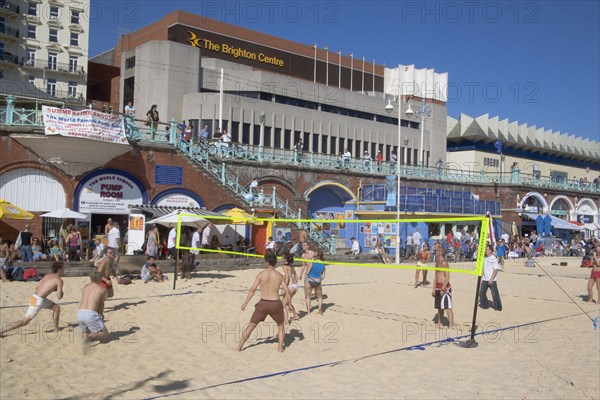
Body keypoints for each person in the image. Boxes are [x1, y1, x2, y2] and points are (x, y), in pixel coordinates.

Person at [238, 252, 291, 352]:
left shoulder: (261, 274)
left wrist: (245, 303)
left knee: (251, 326)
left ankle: (239, 347)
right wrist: (289, 304)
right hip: (275, 303)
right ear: (275, 263)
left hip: (264, 303)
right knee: (281, 327)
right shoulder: (279, 276)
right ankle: (280, 348)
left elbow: (252, 290)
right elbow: (287, 291)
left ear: (267, 262)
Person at [0, 262, 64, 336]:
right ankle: (2, 331)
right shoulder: (59, 280)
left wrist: (51, 289)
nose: (64, 270)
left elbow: (37, 287)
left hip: (34, 297)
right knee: (25, 321)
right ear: (59, 269)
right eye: (63, 268)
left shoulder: (47, 275)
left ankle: (56, 329)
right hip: (39, 300)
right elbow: (59, 297)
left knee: (56, 308)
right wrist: (61, 292)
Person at [77, 271, 109, 341]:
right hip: (90, 314)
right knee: (105, 333)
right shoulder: (102, 289)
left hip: (80, 313)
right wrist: (100, 313)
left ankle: (83, 341)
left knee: (87, 332)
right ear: (100, 279)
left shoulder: (85, 286)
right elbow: (101, 304)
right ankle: (86, 339)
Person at [432, 241, 453, 327]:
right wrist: (433, 288)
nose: (435, 252)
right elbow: (435, 276)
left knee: (447, 308)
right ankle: (440, 323)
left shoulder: (444, 263)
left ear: (440, 251)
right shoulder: (437, 263)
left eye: (436, 250)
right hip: (437, 286)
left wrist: (443, 288)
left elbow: (447, 277)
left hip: (444, 287)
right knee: (439, 307)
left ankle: (451, 324)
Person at [480, 244, 502, 311]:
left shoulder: (494, 259)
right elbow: (483, 269)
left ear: (490, 250)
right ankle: (485, 306)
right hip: (484, 279)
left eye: (486, 249)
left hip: (492, 280)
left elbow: (495, 270)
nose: (485, 251)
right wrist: (481, 276)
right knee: (481, 294)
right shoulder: (484, 258)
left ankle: (498, 307)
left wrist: (491, 279)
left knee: (495, 295)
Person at [305, 250, 326, 315]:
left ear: (316, 256)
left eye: (314, 256)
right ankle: (320, 310)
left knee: (308, 296)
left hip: (310, 279)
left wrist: (308, 276)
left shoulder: (312, 263)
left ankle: (308, 311)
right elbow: (323, 276)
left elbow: (307, 272)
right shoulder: (323, 264)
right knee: (319, 297)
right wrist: (319, 279)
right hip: (318, 280)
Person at [281, 253, 299, 323]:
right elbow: (296, 276)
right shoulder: (291, 266)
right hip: (295, 285)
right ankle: (295, 315)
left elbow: (287, 278)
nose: (281, 259)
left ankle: (286, 321)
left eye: (282, 258)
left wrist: (284, 288)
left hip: (290, 286)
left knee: (283, 305)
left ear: (286, 260)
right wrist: (295, 284)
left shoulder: (284, 266)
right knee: (287, 302)